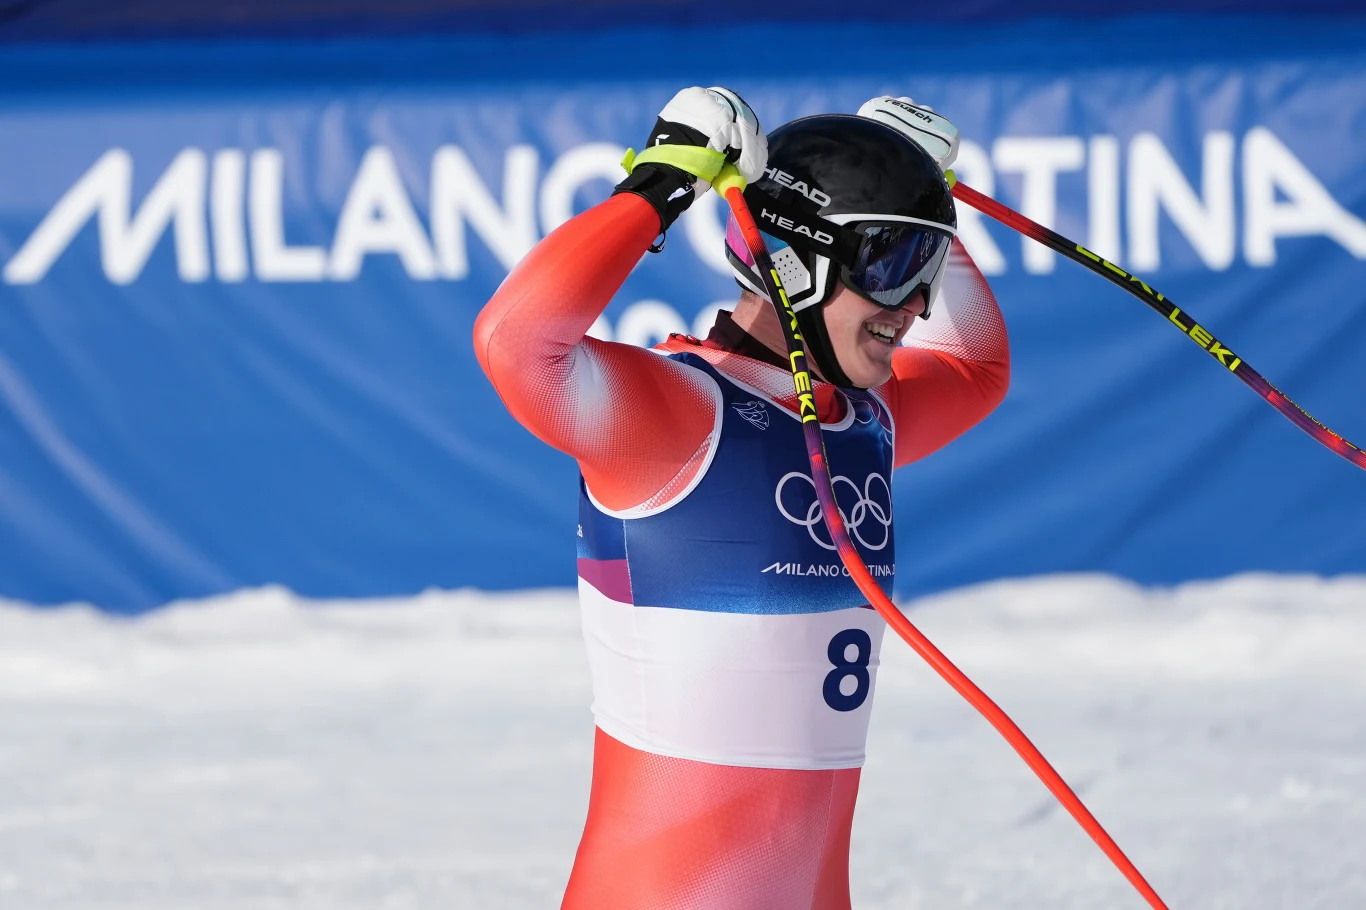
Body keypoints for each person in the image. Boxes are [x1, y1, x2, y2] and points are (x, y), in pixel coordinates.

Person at [474, 87, 1009, 910]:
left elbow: (976, 366)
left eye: (927, 269)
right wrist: (661, 183)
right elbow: (517, 345)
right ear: (795, 261)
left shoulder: (864, 423)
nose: (916, 308)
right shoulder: (678, 418)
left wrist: (909, 185)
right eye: (896, 267)